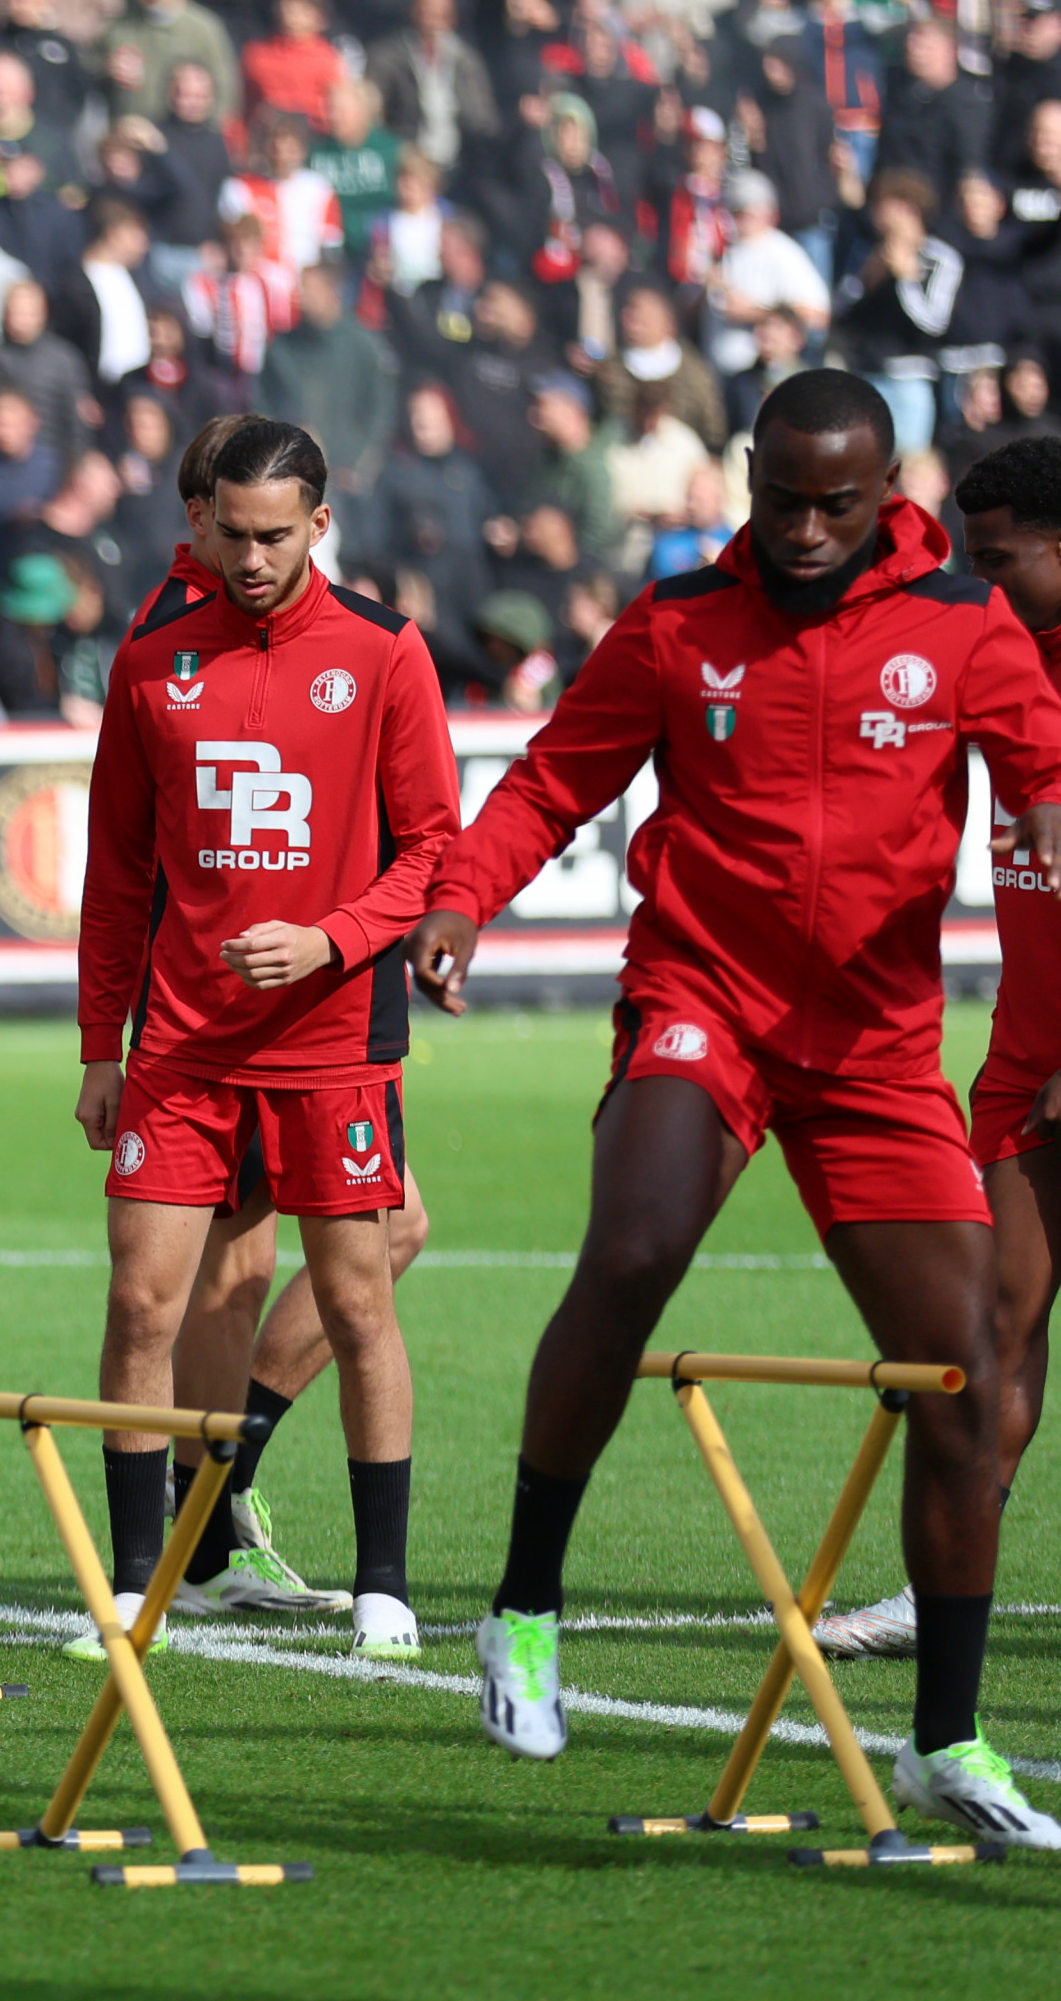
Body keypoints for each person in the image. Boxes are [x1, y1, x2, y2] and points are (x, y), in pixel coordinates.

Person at [414, 369, 1061, 1847]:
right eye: (785, 499)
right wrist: (459, 899)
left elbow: (1047, 783)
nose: (812, 529)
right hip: (704, 1004)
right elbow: (546, 788)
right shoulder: (674, 626)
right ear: (747, 479)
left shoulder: (966, 629)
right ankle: (521, 1608)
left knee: (966, 1377)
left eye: (841, 504)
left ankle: (949, 1743)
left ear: (889, 490)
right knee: (634, 1251)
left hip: (881, 1050)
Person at [71, 418, 454, 1663]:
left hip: (332, 1040)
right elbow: (117, 872)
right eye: (229, 533)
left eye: (274, 535)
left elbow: (432, 853)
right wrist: (97, 1047)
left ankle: (383, 1584)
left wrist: (332, 941)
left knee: (358, 1295)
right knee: (145, 1303)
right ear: (198, 524)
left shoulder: (386, 653)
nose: (249, 557)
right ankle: (144, 1583)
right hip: (180, 1048)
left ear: (320, 525)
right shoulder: (152, 663)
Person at [825, 435, 1061, 1658]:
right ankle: (941, 1592)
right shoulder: (987, 658)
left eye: (1003, 558)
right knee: (994, 1329)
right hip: (1024, 1062)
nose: (983, 580)